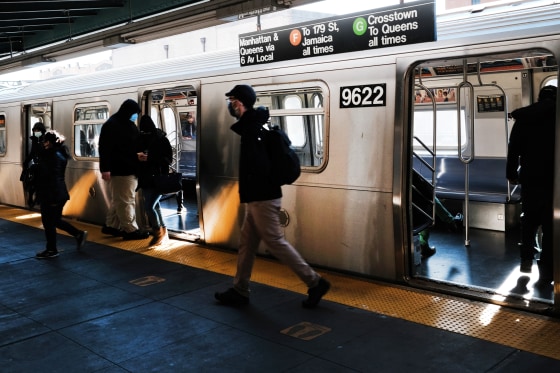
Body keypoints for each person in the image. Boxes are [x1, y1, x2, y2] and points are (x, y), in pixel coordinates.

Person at [214, 84, 330, 308]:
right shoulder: (258, 126)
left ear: (239, 103)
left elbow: (259, 167)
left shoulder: (252, 131)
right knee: (247, 244)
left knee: (275, 242)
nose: (230, 105)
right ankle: (240, 289)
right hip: (258, 197)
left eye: (231, 101)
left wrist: (253, 191)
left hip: (262, 198)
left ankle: (315, 282)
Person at [506, 85, 556, 286]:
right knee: (551, 226)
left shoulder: (524, 118)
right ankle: (546, 272)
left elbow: (513, 150)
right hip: (553, 180)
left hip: (530, 178)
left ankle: (526, 260)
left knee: (529, 220)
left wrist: (511, 174)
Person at [98, 99, 149, 240]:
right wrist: (105, 169)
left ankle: (111, 226)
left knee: (119, 199)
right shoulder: (112, 125)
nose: (135, 116)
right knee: (126, 200)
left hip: (130, 167)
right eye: (134, 113)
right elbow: (105, 149)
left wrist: (139, 154)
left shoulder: (127, 124)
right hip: (121, 169)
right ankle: (130, 230)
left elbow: (130, 146)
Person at [35, 130, 87, 259]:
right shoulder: (60, 153)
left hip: (52, 193)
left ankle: (52, 250)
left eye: (44, 142)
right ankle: (78, 234)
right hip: (59, 192)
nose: (43, 144)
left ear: (48, 142)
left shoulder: (50, 156)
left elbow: (47, 176)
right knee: (55, 220)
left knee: (48, 222)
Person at [136, 115, 173, 246]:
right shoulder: (160, 138)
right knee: (155, 206)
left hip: (157, 178)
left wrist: (149, 158)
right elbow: (169, 158)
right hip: (148, 178)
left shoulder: (159, 139)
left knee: (149, 206)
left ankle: (157, 232)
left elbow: (168, 159)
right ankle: (163, 233)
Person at [20, 122, 46, 207]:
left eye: (38, 130)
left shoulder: (45, 140)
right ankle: (31, 198)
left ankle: (37, 199)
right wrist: (26, 162)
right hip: (36, 165)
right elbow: (32, 153)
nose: (36, 131)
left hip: (43, 166)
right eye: (35, 130)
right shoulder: (34, 140)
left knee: (39, 183)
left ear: (42, 131)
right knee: (32, 182)